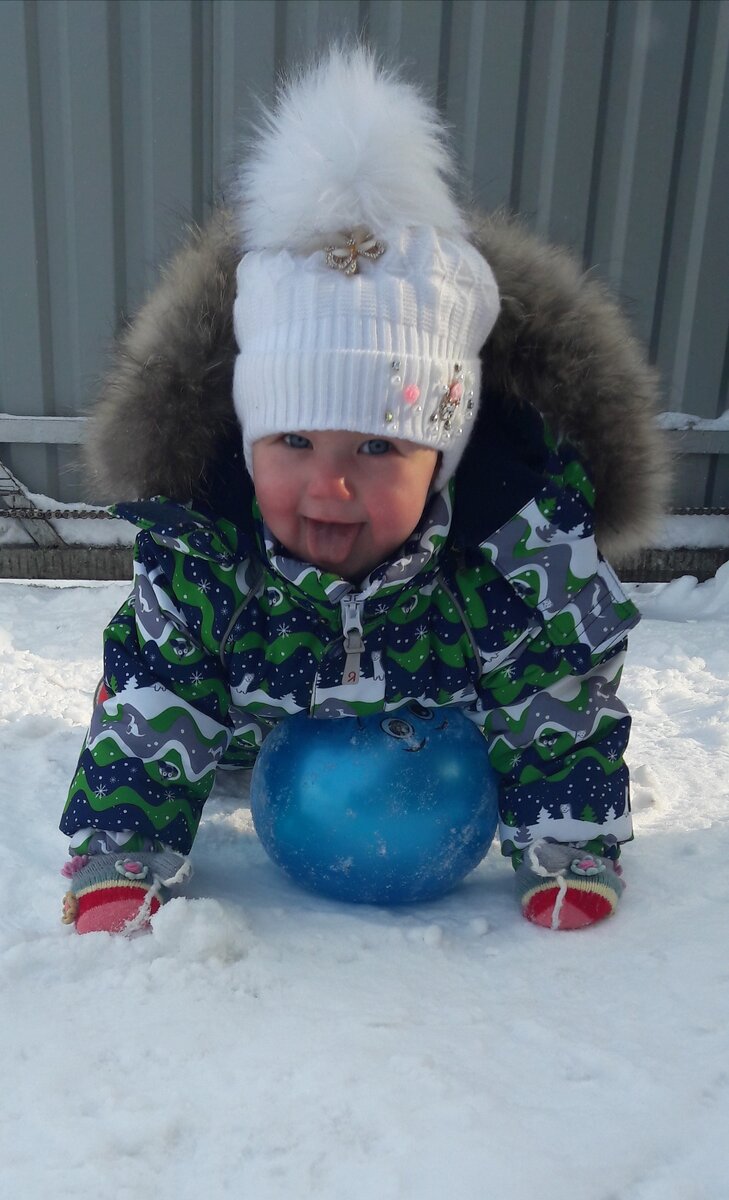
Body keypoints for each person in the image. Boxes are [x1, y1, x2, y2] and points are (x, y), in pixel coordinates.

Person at [59, 48, 668, 935]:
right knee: (187, 701)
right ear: (245, 435)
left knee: (533, 686)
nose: (329, 483)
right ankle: (225, 762)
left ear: (445, 454)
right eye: (293, 441)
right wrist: (121, 851)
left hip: (431, 733)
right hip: (259, 719)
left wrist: (570, 839)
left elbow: (557, 694)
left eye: (380, 445)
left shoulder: (511, 549)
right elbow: (158, 693)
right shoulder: (209, 552)